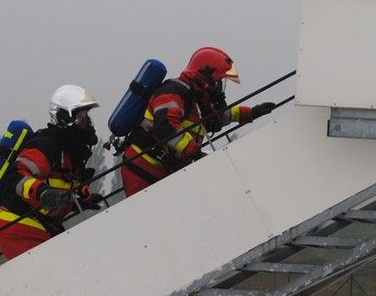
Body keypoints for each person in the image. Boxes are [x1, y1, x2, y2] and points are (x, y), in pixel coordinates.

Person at [117, 47, 276, 197]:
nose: (219, 88)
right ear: (205, 77)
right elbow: (166, 126)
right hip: (143, 168)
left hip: (161, 169)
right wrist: (195, 151)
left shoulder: (196, 100)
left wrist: (251, 113)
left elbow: (217, 117)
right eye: (218, 81)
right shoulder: (174, 91)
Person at [0, 84, 105, 260]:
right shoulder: (47, 143)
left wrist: (80, 201)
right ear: (65, 117)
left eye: (86, 116)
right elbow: (17, 177)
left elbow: (58, 186)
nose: (87, 122)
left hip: (42, 224)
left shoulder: (68, 150)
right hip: (19, 224)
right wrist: (42, 192)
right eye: (81, 116)